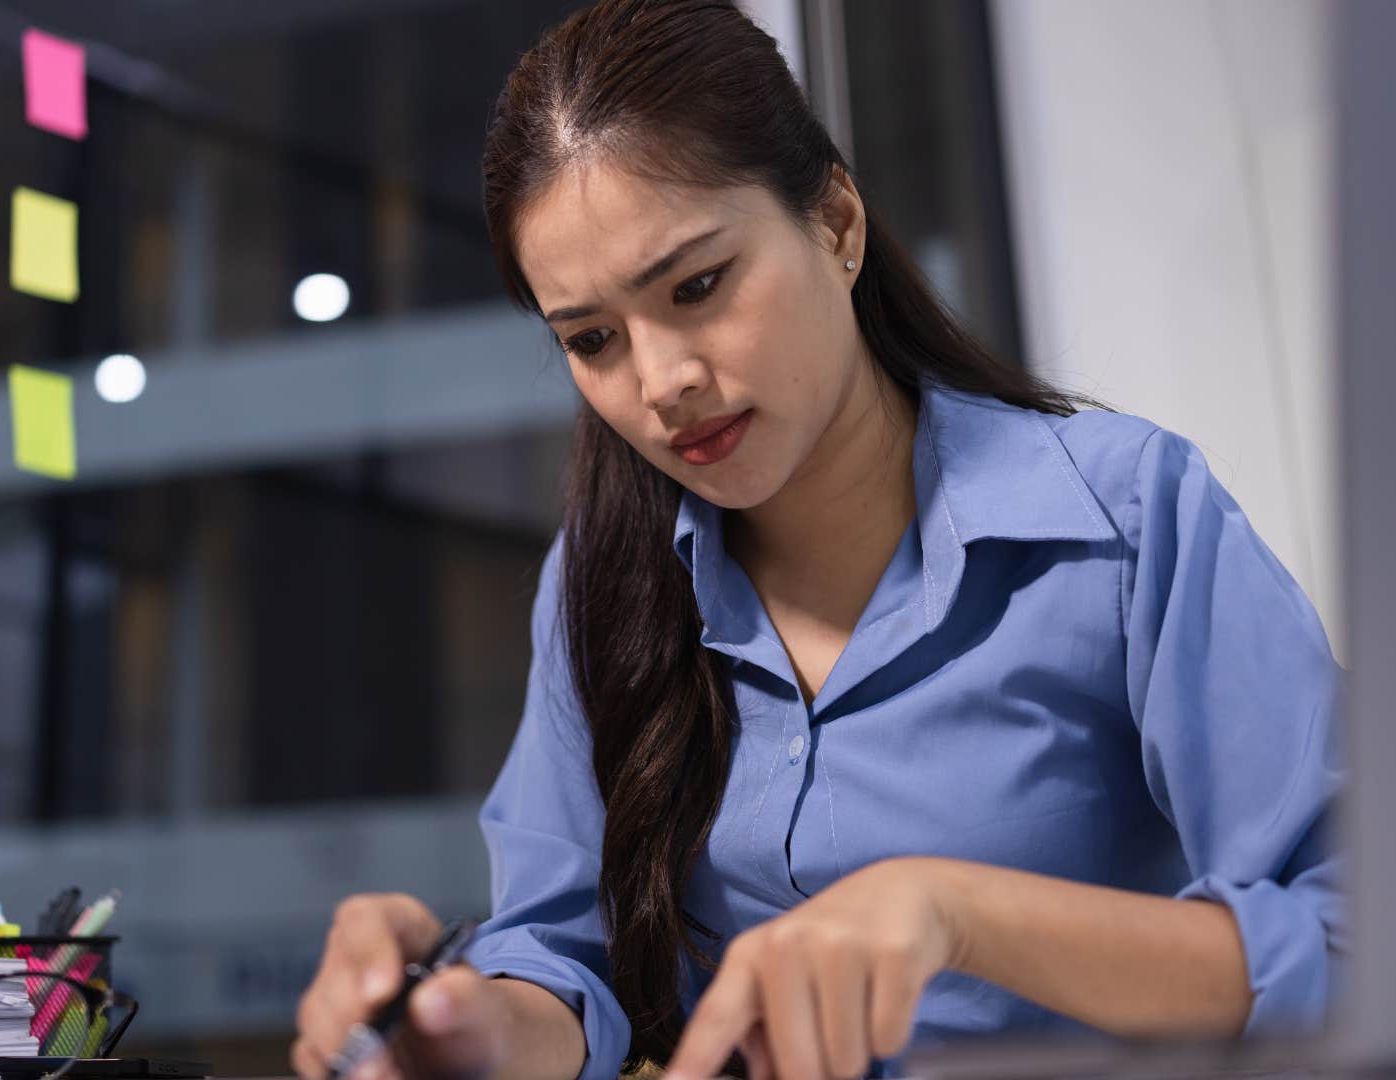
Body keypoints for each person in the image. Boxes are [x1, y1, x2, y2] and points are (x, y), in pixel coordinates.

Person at [290, 1, 1342, 1078]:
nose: (662, 384)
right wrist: (459, 1029)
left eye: (698, 286)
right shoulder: (600, 585)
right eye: (594, 340)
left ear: (837, 223)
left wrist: (957, 911)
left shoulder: (1124, 518)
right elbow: (564, 967)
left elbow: (1357, 939)